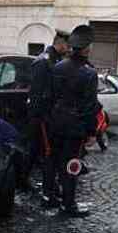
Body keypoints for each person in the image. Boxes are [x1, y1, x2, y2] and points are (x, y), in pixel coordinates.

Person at [50, 25, 99, 218]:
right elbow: (90, 106)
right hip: (75, 126)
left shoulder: (58, 67)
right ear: (86, 48)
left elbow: (53, 96)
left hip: (57, 122)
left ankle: (60, 197)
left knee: (58, 162)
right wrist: (92, 132)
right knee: (72, 164)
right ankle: (68, 204)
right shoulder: (89, 73)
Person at [21, 30, 71, 197]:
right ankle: (29, 182)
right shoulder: (44, 61)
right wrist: (39, 116)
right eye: (67, 45)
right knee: (39, 149)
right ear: (60, 43)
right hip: (40, 114)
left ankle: (29, 181)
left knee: (38, 149)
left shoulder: (55, 60)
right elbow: (36, 92)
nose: (69, 48)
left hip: (47, 114)